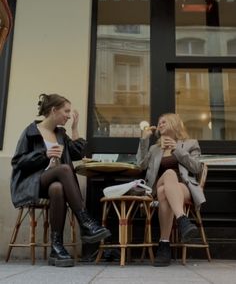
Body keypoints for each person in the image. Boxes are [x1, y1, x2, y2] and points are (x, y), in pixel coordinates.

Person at [10, 93, 111, 267]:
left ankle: (56, 247)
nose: (68, 115)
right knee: (64, 169)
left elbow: (78, 153)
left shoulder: (61, 134)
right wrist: (44, 154)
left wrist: (74, 128)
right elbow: (18, 162)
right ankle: (85, 222)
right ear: (53, 110)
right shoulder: (31, 131)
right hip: (34, 183)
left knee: (57, 187)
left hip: (54, 184)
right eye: (66, 111)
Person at [136, 113, 206, 267]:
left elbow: (196, 167)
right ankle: (182, 219)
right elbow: (140, 165)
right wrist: (144, 139)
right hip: (160, 183)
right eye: (159, 123)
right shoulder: (155, 148)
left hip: (184, 187)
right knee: (168, 174)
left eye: (163, 122)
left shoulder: (190, 143)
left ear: (174, 124)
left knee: (163, 193)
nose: (159, 125)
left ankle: (164, 245)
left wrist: (177, 149)